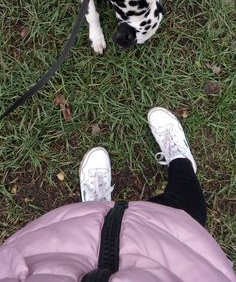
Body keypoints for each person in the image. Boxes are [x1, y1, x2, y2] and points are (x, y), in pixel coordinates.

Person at [0, 107, 234, 281]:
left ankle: (96, 209)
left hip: (53, 256)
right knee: (184, 210)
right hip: (171, 263)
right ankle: (181, 160)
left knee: (81, 222)